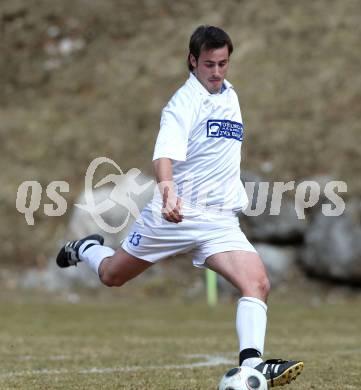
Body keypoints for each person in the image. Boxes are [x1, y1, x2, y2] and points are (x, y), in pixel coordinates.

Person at [56, 25, 304, 387]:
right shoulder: (181, 104)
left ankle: (252, 365)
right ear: (192, 61)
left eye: (223, 63)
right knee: (112, 275)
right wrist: (169, 192)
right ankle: (87, 248)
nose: (217, 72)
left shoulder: (230, 95)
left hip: (219, 219)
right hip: (174, 216)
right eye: (209, 64)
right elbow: (165, 155)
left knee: (258, 283)